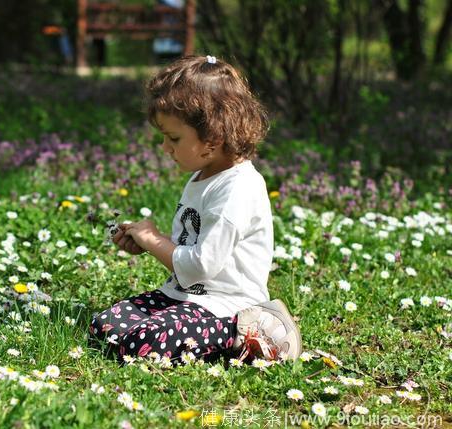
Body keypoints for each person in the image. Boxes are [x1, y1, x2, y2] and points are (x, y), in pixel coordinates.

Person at [89, 55, 302, 367]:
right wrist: (152, 241)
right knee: (104, 327)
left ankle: (256, 329)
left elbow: (199, 267)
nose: (165, 148)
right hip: (186, 296)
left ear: (212, 140)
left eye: (173, 138)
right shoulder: (203, 175)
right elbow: (188, 257)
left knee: (140, 343)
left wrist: (152, 240)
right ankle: (201, 336)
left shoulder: (237, 189)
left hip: (226, 306)